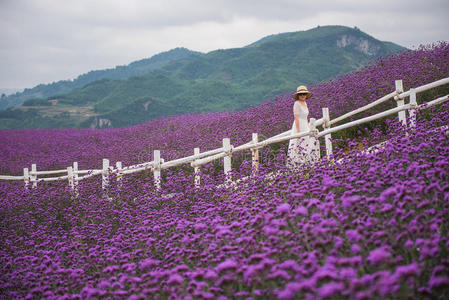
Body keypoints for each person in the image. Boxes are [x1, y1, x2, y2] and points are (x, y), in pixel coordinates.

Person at [287, 85, 317, 168]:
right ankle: (296, 164)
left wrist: (308, 127)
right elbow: (296, 118)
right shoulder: (296, 104)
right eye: (301, 94)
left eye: (304, 94)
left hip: (305, 125)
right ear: (298, 96)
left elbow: (306, 117)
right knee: (297, 144)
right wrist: (299, 132)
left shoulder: (305, 103)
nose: (303, 95)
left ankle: (306, 162)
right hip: (298, 126)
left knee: (306, 143)